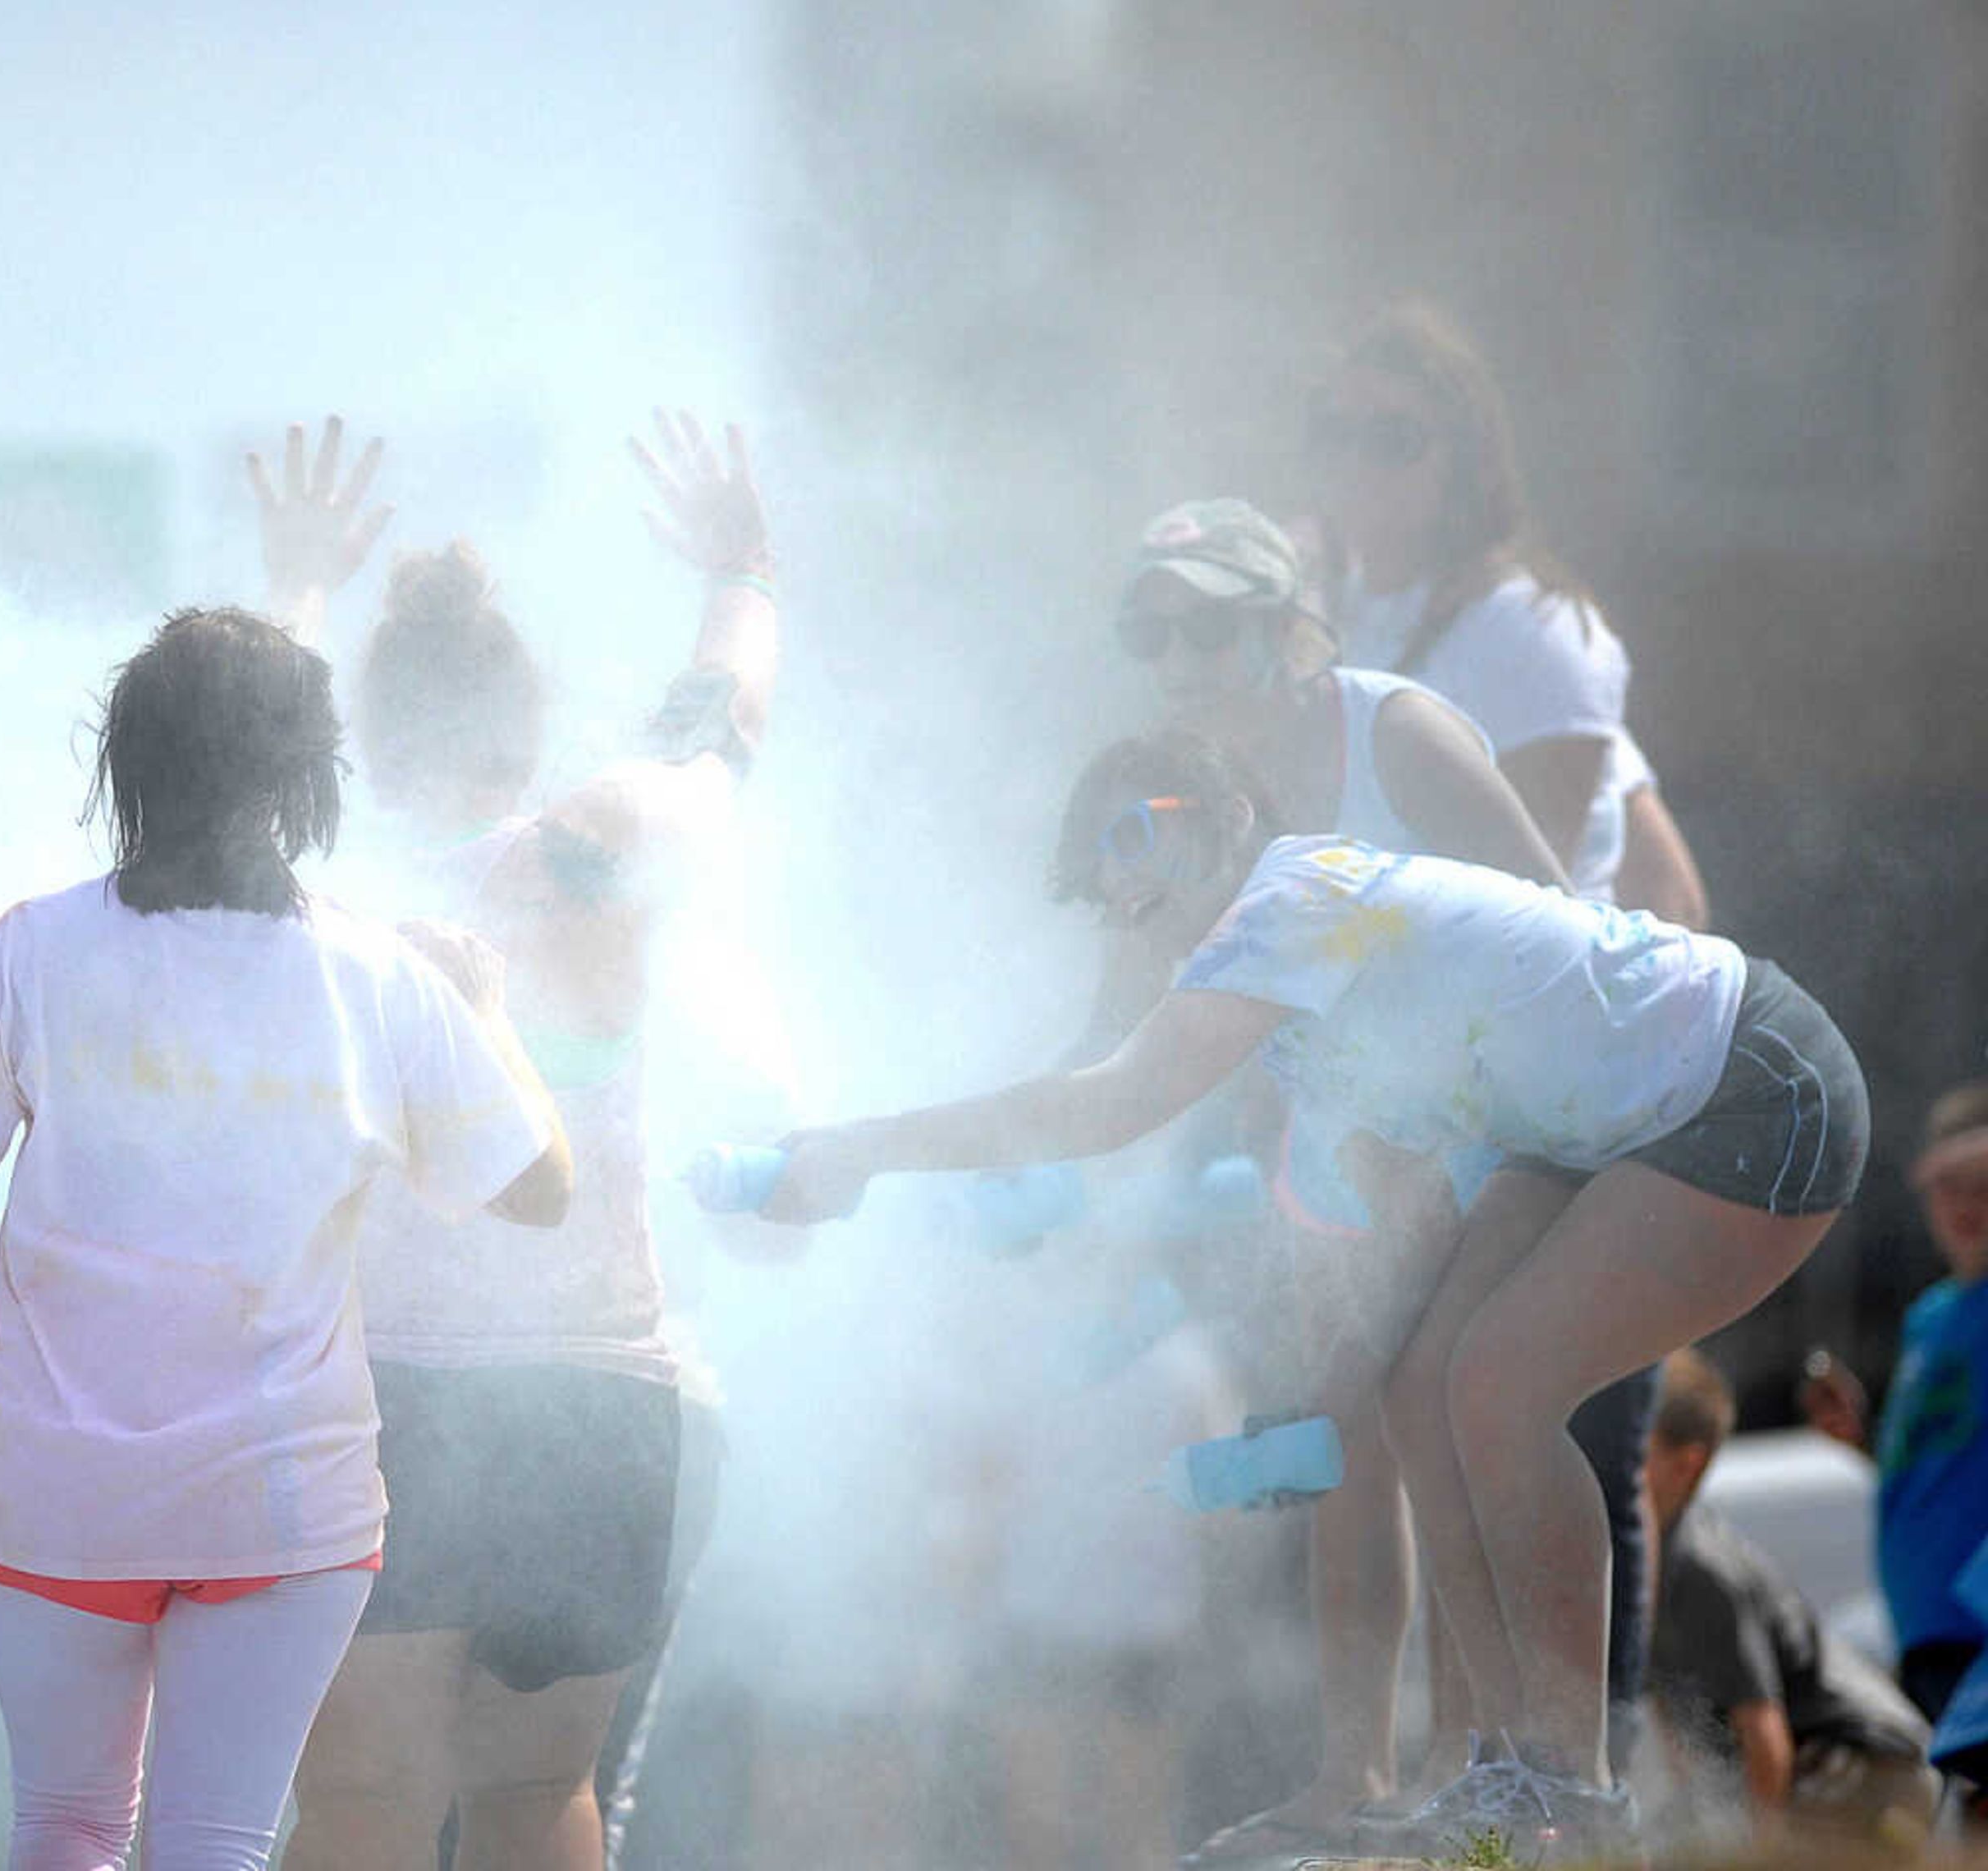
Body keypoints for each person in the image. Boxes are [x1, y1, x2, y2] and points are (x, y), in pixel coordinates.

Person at [768, 728, 1866, 1863]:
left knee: (1497, 1385)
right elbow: (1404, 1255)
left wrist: (861, 1149)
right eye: (1109, 898)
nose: (1128, 908)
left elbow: (1111, 1105)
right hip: (1616, 1122)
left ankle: (1573, 1792)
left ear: (1206, 819)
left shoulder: (1294, 897)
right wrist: (1314, 1417)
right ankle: (1507, 1767)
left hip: (1754, 1086)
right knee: (1420, 1385)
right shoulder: (1306, 1034)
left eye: (1134, 851)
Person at [0, 604, 574, 1871]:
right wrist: (489, 1009)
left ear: (128, 767)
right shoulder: (383, 976)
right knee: (218, 1844)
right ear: (308, 779)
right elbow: (538, 1187)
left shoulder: (32, 947)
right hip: (282, 1504)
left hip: (58, 1497)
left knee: (68, 1829)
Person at [252, 410, 776, 1871]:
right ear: (525, 732)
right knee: (538, 1790)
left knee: (360, 1800)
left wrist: (299, 578)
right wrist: (746, 566)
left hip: (394, 1391)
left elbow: (237, 745)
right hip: (610, 1398)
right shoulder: (588, 851)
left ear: (369, 736)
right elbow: (720, 719)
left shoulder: (312, 883)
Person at [1105, 498, 1571, 1864]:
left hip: (1496, 1123)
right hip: (1342, 1138)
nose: (1179, 648)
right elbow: (1213, 997)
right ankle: (1353, 1768)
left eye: (1208, 619)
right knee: (1343, 1435)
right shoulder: (1201, 786)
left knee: (1443, 1421)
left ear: (1280, 619)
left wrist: (1449, 1131)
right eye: (1153, 624)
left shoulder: (1395, 730)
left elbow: (1556, 926)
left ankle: (1472, 1765)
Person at [1305, 296, 1697, 1776]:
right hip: (1437, 1101)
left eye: (1389, 438)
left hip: (1545, 1099)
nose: (1354, 466)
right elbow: (1664, 865)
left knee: (1536, 1428)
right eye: (1329, 432)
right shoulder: (1355, 620)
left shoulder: (1531, 625)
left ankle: (1551, 1793)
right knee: (1404, 1416)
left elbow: (1535, 898)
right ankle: (1449, 1782)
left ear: (1463, 459)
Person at [1642, 1346, 1936, 1854]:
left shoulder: (1700, 1571)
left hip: (1866, 1761)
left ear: (1684, 1465)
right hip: (1816, 1761)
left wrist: (1760, 1853)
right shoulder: (1646, 1560)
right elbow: (1679, 1722)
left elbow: (1764, 1734)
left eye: (1631, 1448)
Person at [1802, 1085, 1988, 1727]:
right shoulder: (1929, 1317)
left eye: (1983, 1181)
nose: (1965, 1203)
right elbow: (1938, 1461)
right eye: (1947, 1183)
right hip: (1923, 1622)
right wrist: (1863, 1439)